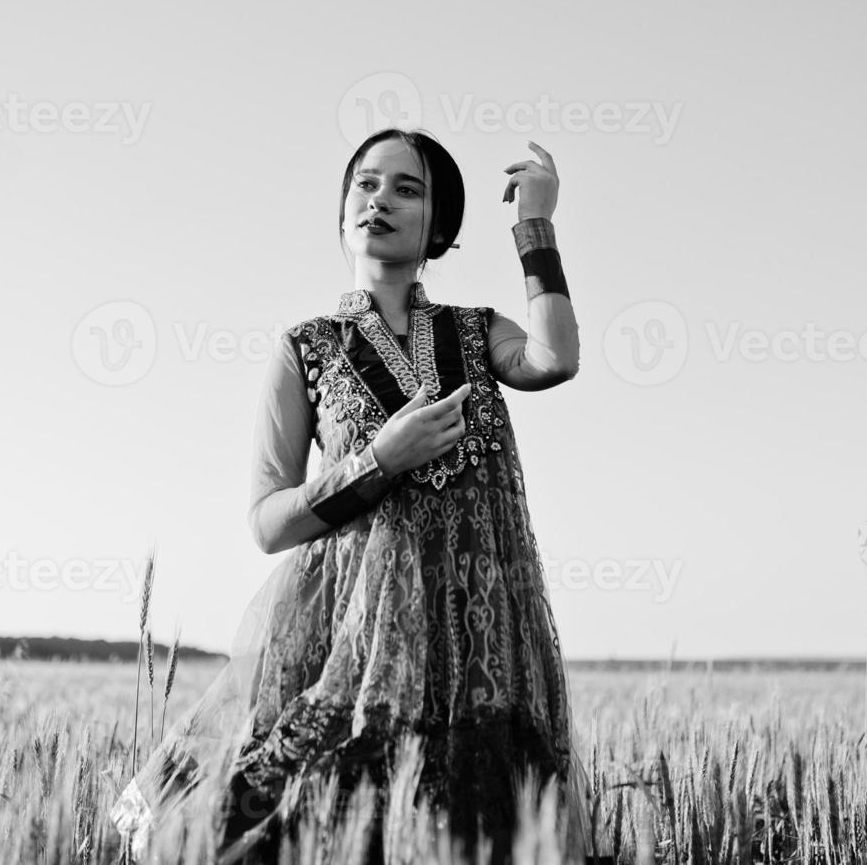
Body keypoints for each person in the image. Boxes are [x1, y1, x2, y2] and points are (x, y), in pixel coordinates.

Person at [111, 129, 595, 863]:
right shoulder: (305, 346)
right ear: (341, 213)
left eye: (407, 189)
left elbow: (554, 359)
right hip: (347, 647)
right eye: (364, 184)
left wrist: (536, 225)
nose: (380, 200)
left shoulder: (475, 332)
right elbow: (268, 524)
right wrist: (378, 461)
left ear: (439, 230)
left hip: (478, 650)